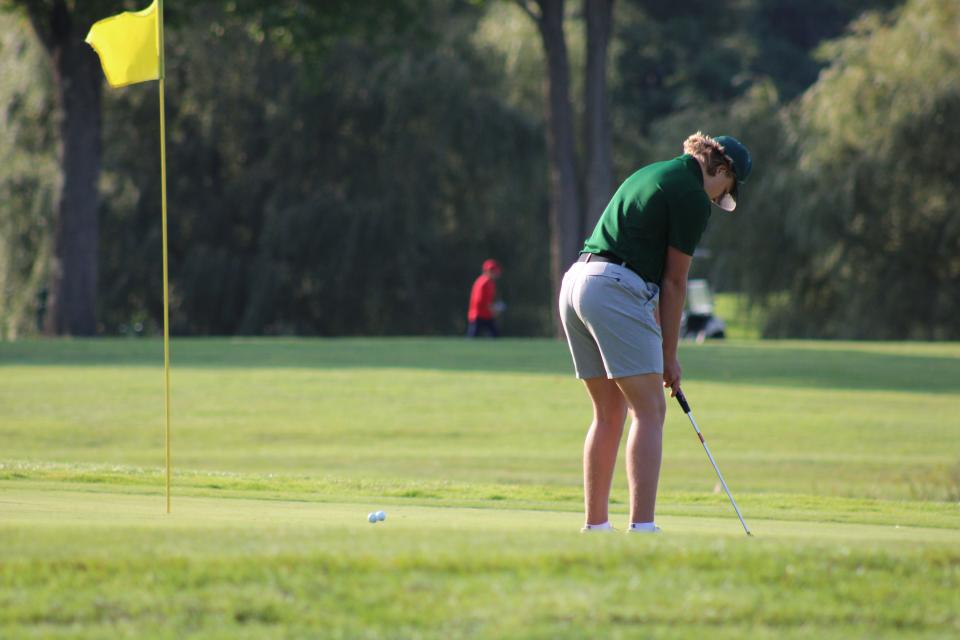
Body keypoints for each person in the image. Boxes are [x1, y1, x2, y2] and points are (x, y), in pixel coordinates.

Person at [558, 132, 752, 533]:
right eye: (723, 192)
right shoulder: (691, 195)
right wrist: (669, 356)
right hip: (613, 289)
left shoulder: (651, 173)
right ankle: (642, 528)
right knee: (649, 411)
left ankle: (595, 527)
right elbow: (675, 282)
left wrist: (664, 353)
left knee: (608, 413)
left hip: (577, 283)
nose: (716, 202)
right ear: (721, 168)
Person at [467, 259, 503, 338]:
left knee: (496, 336)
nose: (493, 273)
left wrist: (493, 309)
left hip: (487, 315)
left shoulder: (491, 283)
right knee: (472, 339)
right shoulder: (482, 282)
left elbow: (489, 300)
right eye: (491, 270)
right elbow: (479, 301)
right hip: (478, 315)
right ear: (486, 271)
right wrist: (493, 309)